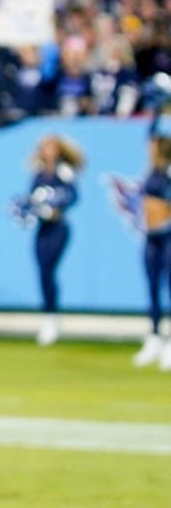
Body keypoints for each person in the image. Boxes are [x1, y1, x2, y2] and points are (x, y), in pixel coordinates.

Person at [8, 133, 83, 346]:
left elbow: (74, 196)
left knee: (49, 269)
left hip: (59, 228)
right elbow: (31, 198)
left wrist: (58, 204)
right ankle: (49, 317)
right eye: (44, 147)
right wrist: (26, 211)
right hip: (42, 228)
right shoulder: (38, 173)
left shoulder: (64, 171)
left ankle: (52, 318)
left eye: (51, 147)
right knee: (42, 271)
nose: (48, 151)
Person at [110, 131, 171, 369]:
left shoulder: (167, 172)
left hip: (167, 235)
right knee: (153, 287)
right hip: (152, 237)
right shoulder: (151, 172)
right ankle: (154, 336)